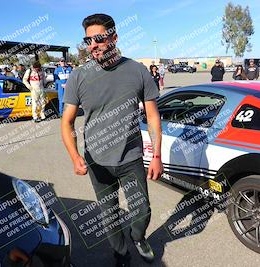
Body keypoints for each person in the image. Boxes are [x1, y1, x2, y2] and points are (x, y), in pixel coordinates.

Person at [61, 13, 162, 267]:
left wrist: (157, 156)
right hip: (97, 160)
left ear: (113, 37)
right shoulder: (79, 76)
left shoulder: (138, 71)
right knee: (110, 214)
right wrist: (74, 157)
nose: (92, 45)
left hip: (131, 158)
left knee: (143, 211)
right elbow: (67, 122)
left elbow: (152, 115)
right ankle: (120, 254)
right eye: (88, 40)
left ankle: (138, 237)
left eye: (98, 38)